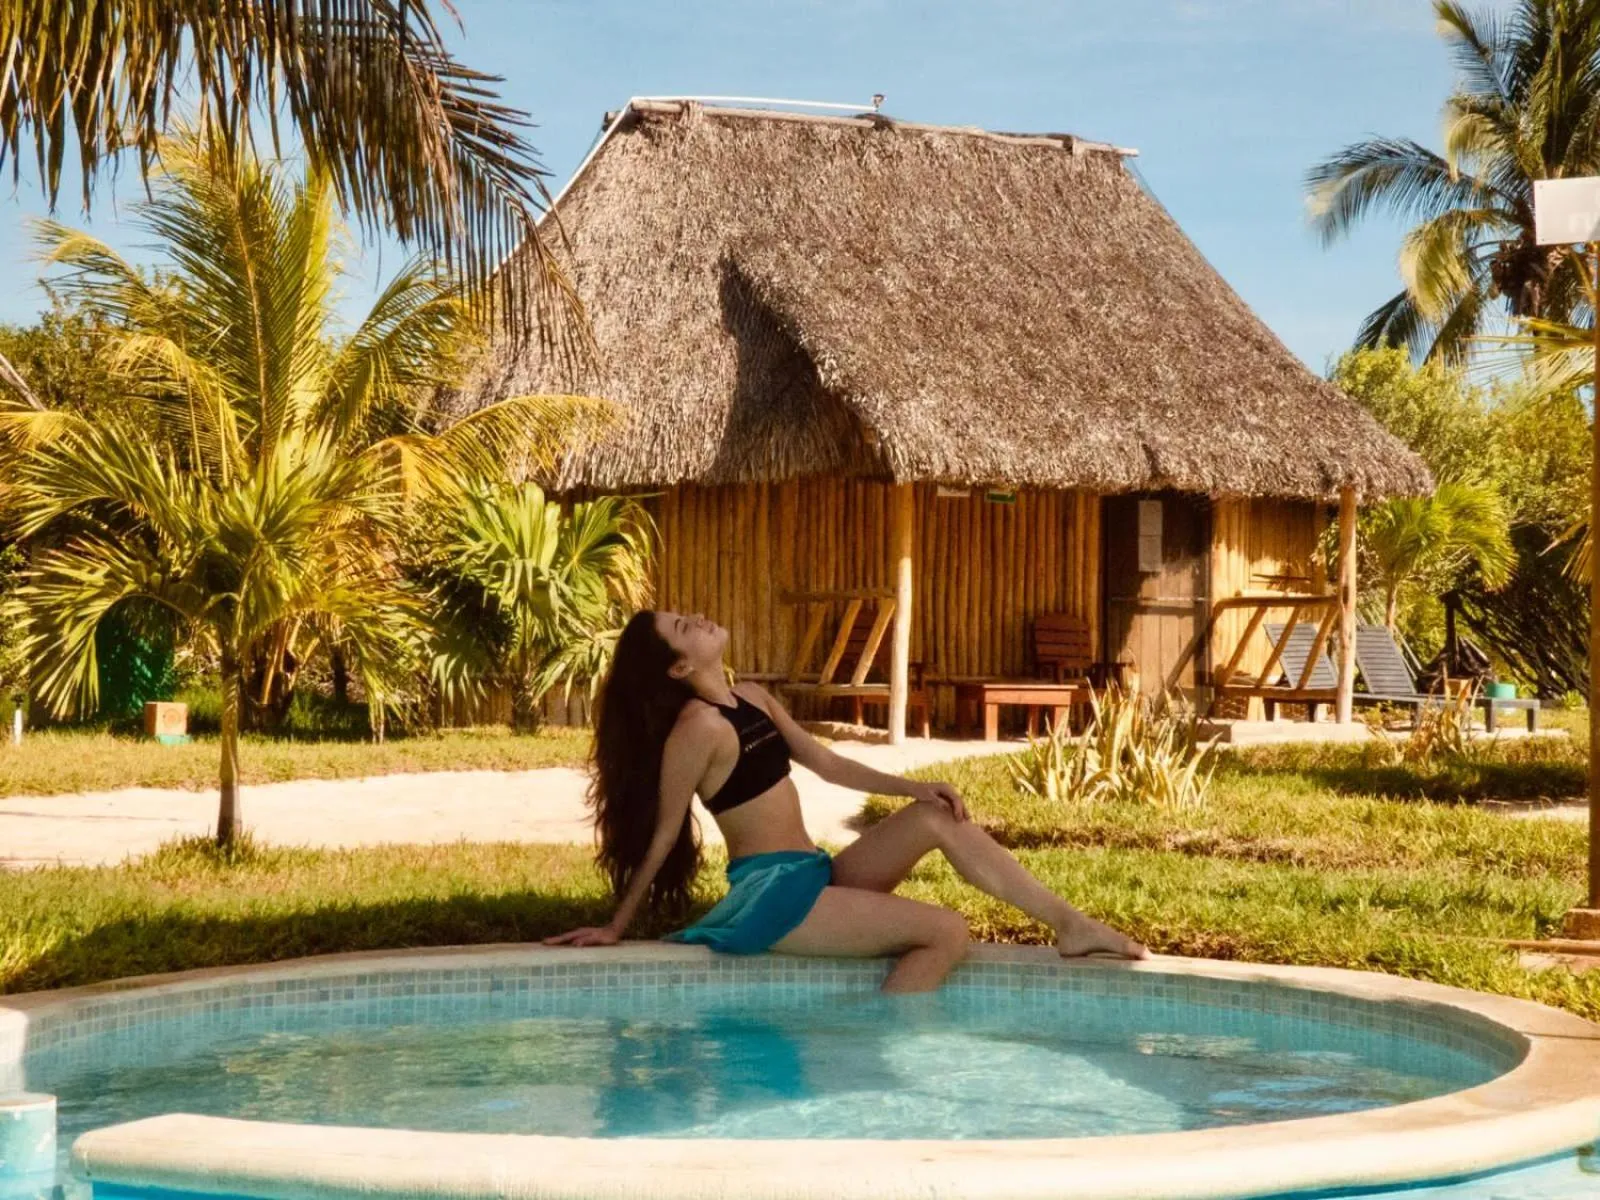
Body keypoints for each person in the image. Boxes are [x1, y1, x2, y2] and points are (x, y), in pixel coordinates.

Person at [546, 610, 1148, 993]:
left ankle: (1070, 925)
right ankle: (879, 1048)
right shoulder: (696, 731)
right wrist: (615, 925)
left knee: (937, 817)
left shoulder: (750, 696)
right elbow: (662, 834)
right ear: (679, 667)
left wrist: (915, 788)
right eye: (683, 627)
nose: (698, 618)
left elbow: (827, 762)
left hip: (814, 874)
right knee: (947, 932)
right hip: (775, 896)